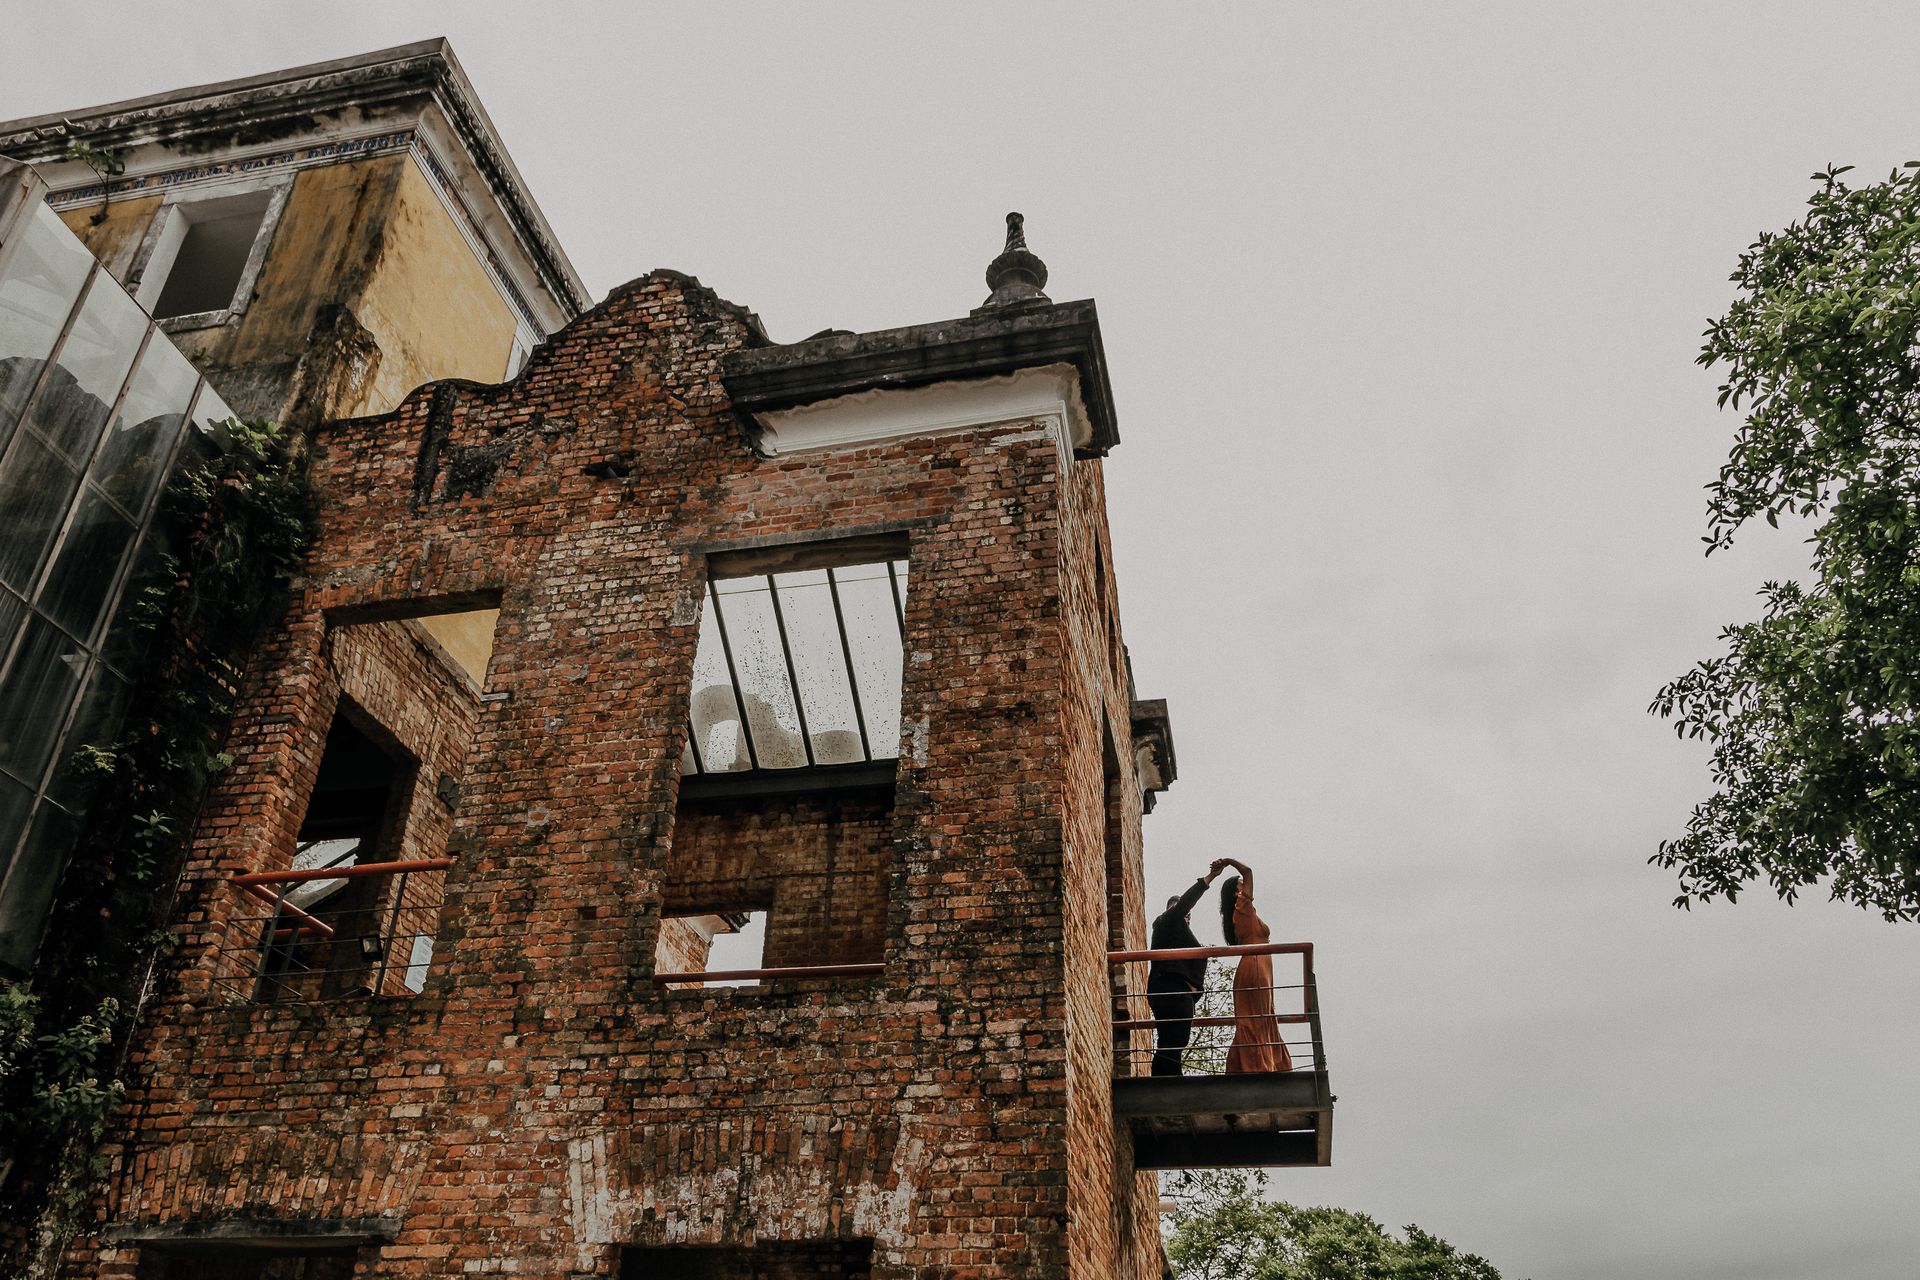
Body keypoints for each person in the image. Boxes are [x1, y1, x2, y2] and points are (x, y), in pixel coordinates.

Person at [1145, 860, 1227, 1076]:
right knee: (1175, 1040)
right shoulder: (1166, 921)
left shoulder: (1180, 934)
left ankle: (1164, 1082)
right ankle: (1170, 1084)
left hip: (1175, 992)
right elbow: (1184, 903)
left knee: (1170, 1041)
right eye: (1182, 911)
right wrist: (1210, 878)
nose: (1186, 915)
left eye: (1188, 914)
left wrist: (1194, 992)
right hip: (1171, 990)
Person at [1218, 857, 1292, 1074]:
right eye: (1241, 885)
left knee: (1260, 1015)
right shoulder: (1243, 908)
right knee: (1256, 1017)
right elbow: (1249, 871)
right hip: (1256, 966)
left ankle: (1262, 1064)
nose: (1245, 886)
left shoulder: (1243, 912)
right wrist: (1230, 861)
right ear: (1236, 892)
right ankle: (1258, 1066)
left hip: (1260, 966)